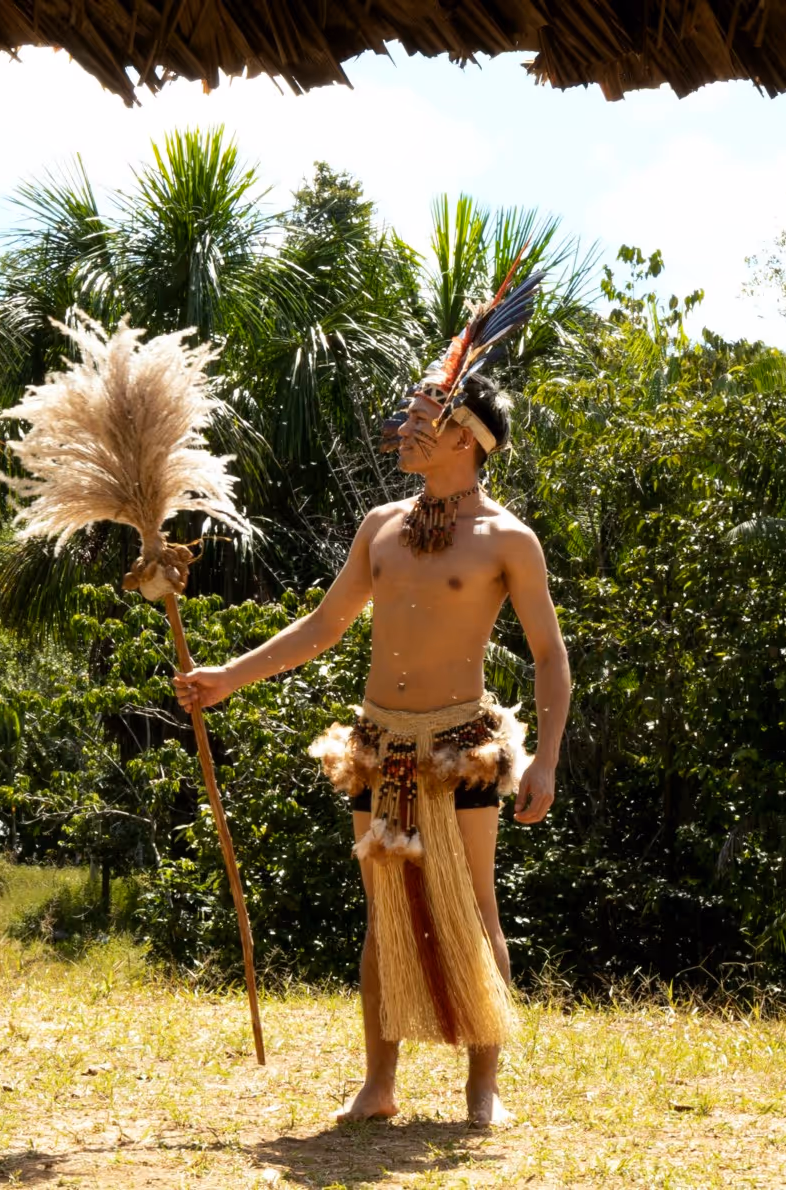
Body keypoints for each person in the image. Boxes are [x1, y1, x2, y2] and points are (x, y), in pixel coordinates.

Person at [171, 376, 569, 1128]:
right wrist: (228, 678)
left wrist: (545, 758)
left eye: (425, 420)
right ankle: (378, 1084)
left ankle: (482, 1088)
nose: (406, 430)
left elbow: (549, 654)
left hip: (462, 744)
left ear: (465, 437)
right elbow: (324, 626)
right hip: (378, 743)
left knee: (476, 907)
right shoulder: (381, 525)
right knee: (385, 913)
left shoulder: (507, 538)